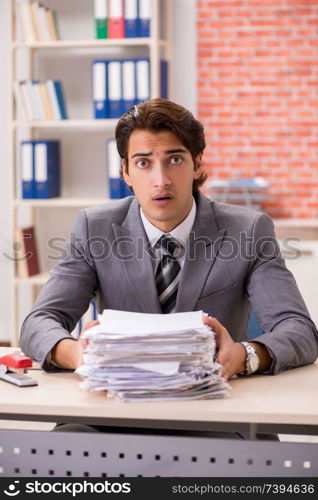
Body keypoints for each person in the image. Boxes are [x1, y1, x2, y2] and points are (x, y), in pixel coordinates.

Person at [20, 98, 318, 401]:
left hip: (214, 410)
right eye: (143, 163)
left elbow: (299, 330)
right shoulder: (93, 227)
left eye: (174, 160)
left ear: (198, 164)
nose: (160, 180)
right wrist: (77, 354)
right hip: (116, 411)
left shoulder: (249, 230)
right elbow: (38, 323)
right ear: (125, 171)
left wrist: (244, 355)